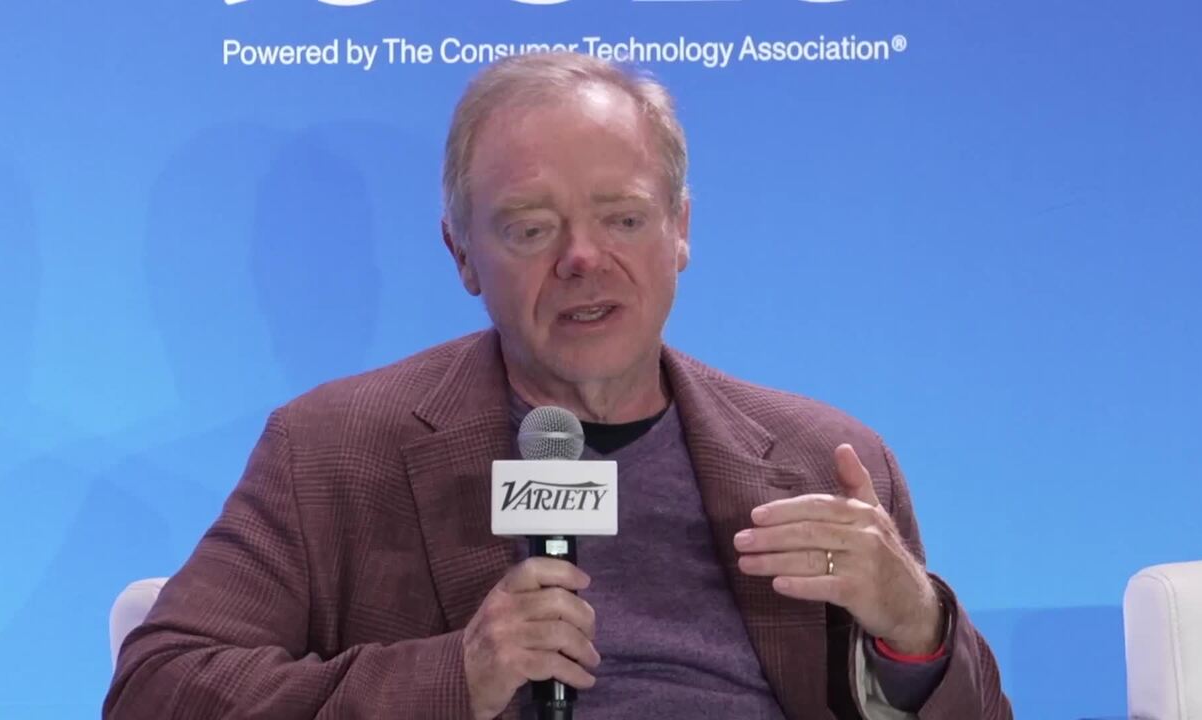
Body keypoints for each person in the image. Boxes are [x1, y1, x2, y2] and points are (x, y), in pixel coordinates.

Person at [104, 52, 1011, 720]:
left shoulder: (824, 458)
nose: (584, 258)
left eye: (623, 218)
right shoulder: (335, 450)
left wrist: (917, 628)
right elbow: (157, 691)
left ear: (681, 231)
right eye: (532, 229)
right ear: (462, 254)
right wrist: (455, 678)